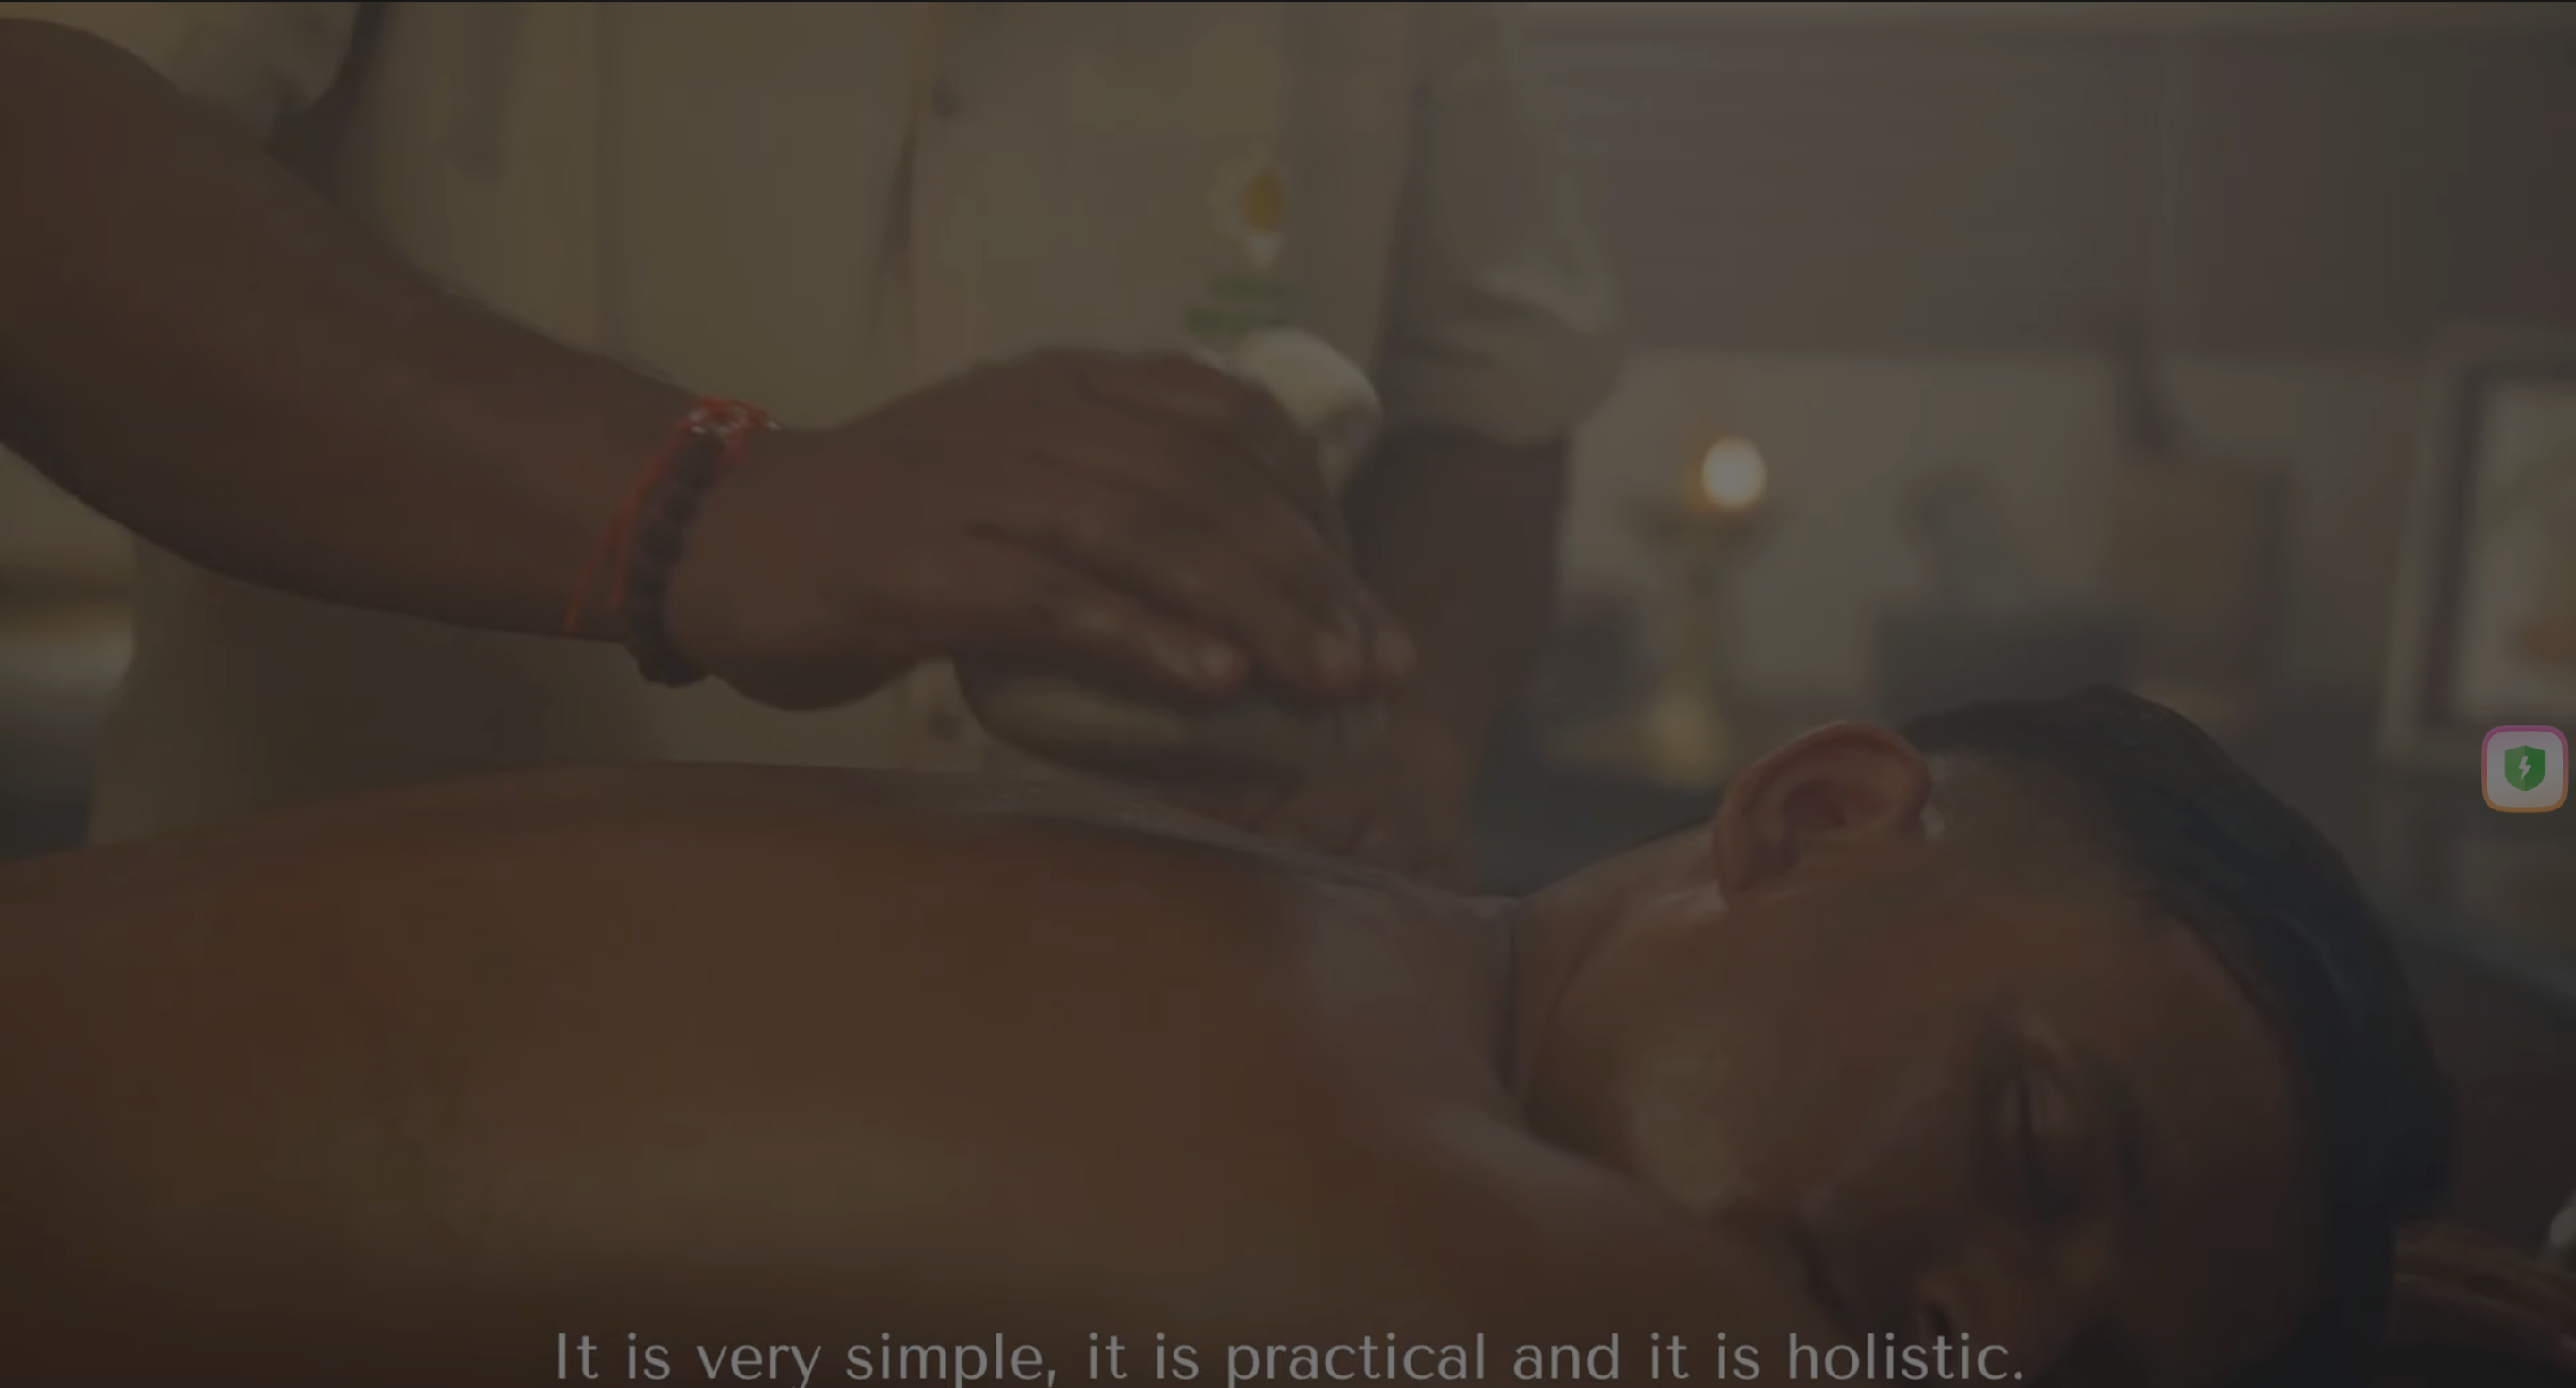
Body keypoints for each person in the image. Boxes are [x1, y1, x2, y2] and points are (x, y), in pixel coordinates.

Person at [0, 690, 2455, 1385]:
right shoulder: (1367, 1137)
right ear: (1811, 819)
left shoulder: (1343, 971)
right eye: (2034, 1150)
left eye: (2094, 1377)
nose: (1987, 1347)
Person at [0, 4, 1622, 884]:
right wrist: (695, 507)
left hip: (1125, 1126)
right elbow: (40, 142)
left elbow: (1486, 393)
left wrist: (1408, 760)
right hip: (391, 1144)